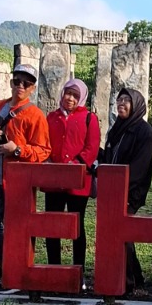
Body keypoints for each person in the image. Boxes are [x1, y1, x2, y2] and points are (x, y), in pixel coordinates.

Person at [0, 64, 51, 289]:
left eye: (26, 83)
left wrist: (17, 150)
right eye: (17, 81)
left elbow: (44, 150)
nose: (20, 86)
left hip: (18, 181)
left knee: (17, 226)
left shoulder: (36, 115)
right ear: (11, 82)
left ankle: (17, 270)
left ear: (32, 88)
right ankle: (2, 267)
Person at [98, 86, 152, 296]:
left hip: (129, 192)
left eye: (126, 100)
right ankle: (132, 279)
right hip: (113, 190)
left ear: (136, 105)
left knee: (123, 235)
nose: (121, 103)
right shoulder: (118, 128)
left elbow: (139, 169)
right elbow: (111, 157)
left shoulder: (144, 132)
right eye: (119, 100)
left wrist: (123, 192)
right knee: (119, 235)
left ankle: (131, 283)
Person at [44, 78, 101, 278]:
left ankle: (78, 270)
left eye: (75, 95)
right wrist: (50, 162)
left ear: (82, 98)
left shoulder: (89, 118)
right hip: (54, 181)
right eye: (68, 93)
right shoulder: (51, 117)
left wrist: (75, 165)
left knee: (77, 225)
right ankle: (54, 270)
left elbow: (92, 147)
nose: (70, 98)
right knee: (52, 225)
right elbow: (45, 144)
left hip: (78, 181)